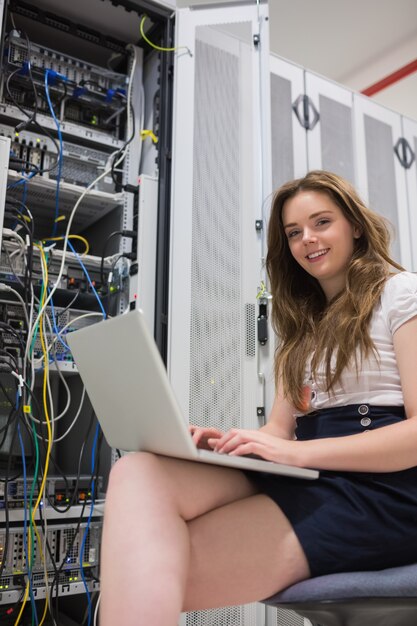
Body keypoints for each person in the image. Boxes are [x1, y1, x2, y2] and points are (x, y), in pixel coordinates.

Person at [99, 170, 417, 625]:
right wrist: (229, 446)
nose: (308, 239)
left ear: (356, 226)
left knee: (147, 573)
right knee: (138, 471)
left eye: (321, 222)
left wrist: (294, 453)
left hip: (384, 492)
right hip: (312, 476)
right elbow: (278, 432)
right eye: (294, 232)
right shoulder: (301, 329)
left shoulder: (402, 293)